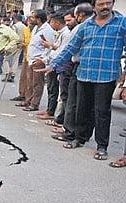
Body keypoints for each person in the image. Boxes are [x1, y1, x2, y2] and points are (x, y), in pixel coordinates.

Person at [45, 0, 126, 160]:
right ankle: (79, 138)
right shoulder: (85, 25)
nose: (105, 6)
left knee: (102, 112)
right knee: (82, 108)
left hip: (107, 75)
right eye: (101, 3)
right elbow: (71, 47)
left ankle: (102, 146)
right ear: (94, 5)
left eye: (108, 3)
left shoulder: (122, 23)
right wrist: (54, 64)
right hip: (84, 73)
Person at [48, 3, 94, 142]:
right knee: (80, 102)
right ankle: (79, 133)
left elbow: (68, 49)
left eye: (71, 19)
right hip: (79, 66)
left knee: (72, 100)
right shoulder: (87, 27)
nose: (69, 22)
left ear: (79, 16)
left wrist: (54, 64)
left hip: (77, 66)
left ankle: (70, 131)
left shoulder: (80, 29)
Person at [16, 9, 54, 111]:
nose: (30, 19)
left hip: (39, 60)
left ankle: (34, 104)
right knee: (29, 82)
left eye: (32, 17)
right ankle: (28, 101)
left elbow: (49, 47)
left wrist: (42, 59)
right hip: (30, 59)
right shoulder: (35, 28)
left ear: (38, 19)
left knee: (37, 83)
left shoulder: (47, 30)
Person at [35, 11, 70, 120]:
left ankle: (51, 112)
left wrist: (50, 46)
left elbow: (61, 51)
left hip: (58, 64)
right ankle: (49, 109)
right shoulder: (59, 32)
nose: (50, 25)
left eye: (51, 22)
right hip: (52, 62)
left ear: (56, 22)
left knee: (54, 89)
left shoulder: (66, 33)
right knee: (50, 88)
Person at [10, 15, 34, 102]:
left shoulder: (37, 31)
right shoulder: (25, 29)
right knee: (23, 77)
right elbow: (24, 41)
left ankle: (29, 98)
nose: (30, 24)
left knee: (30, 79)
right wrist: (21, 44)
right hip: (25, 56)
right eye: (29, 22)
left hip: (34, 58)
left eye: (32, 22)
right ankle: (22, 94)